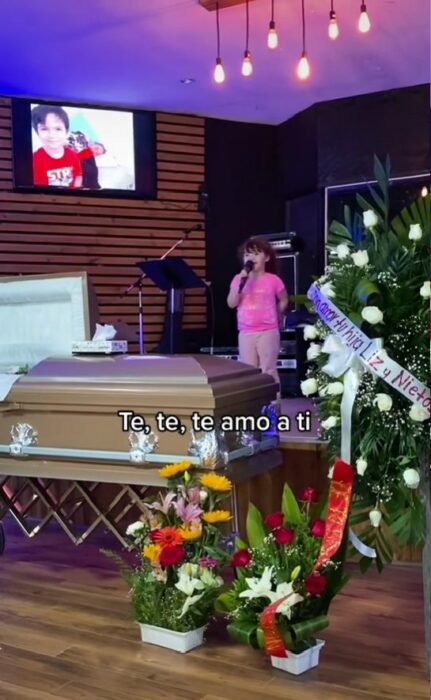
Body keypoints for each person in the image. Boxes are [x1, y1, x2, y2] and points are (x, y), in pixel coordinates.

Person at [227, 236, 288, 406]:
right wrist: (240, 282)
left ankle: (273, 411)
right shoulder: (239, 279)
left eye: (256, 253)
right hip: (246, 332)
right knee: (249, 371)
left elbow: (283, 299)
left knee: (268, 369)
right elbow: (231, 303)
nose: (251, 258)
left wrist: (277, 313)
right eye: (247, 255)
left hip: (268, 330)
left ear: (266, 257)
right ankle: (252, 409)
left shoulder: (273, 280)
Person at [31, 105, 82, 188]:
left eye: (58, 129)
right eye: (44, 129)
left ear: (67, 132)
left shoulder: (73, 155)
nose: (52, 135)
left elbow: (78, 176)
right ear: (37, 133)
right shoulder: (34, 159)